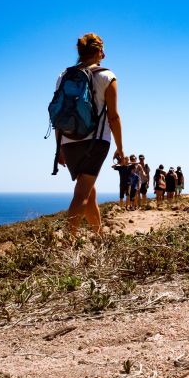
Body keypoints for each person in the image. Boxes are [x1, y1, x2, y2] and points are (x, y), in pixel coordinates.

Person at [56, 33, 123, 236]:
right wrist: (120, 149)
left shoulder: (63, 76)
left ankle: (99, 235)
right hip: (96, 142)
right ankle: (68, 244)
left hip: (69, 141)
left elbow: (59, 113)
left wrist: (59, 147)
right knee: (81, 194)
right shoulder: (107, 76)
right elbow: (113, 117)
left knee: (88, 190)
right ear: (99, 52)